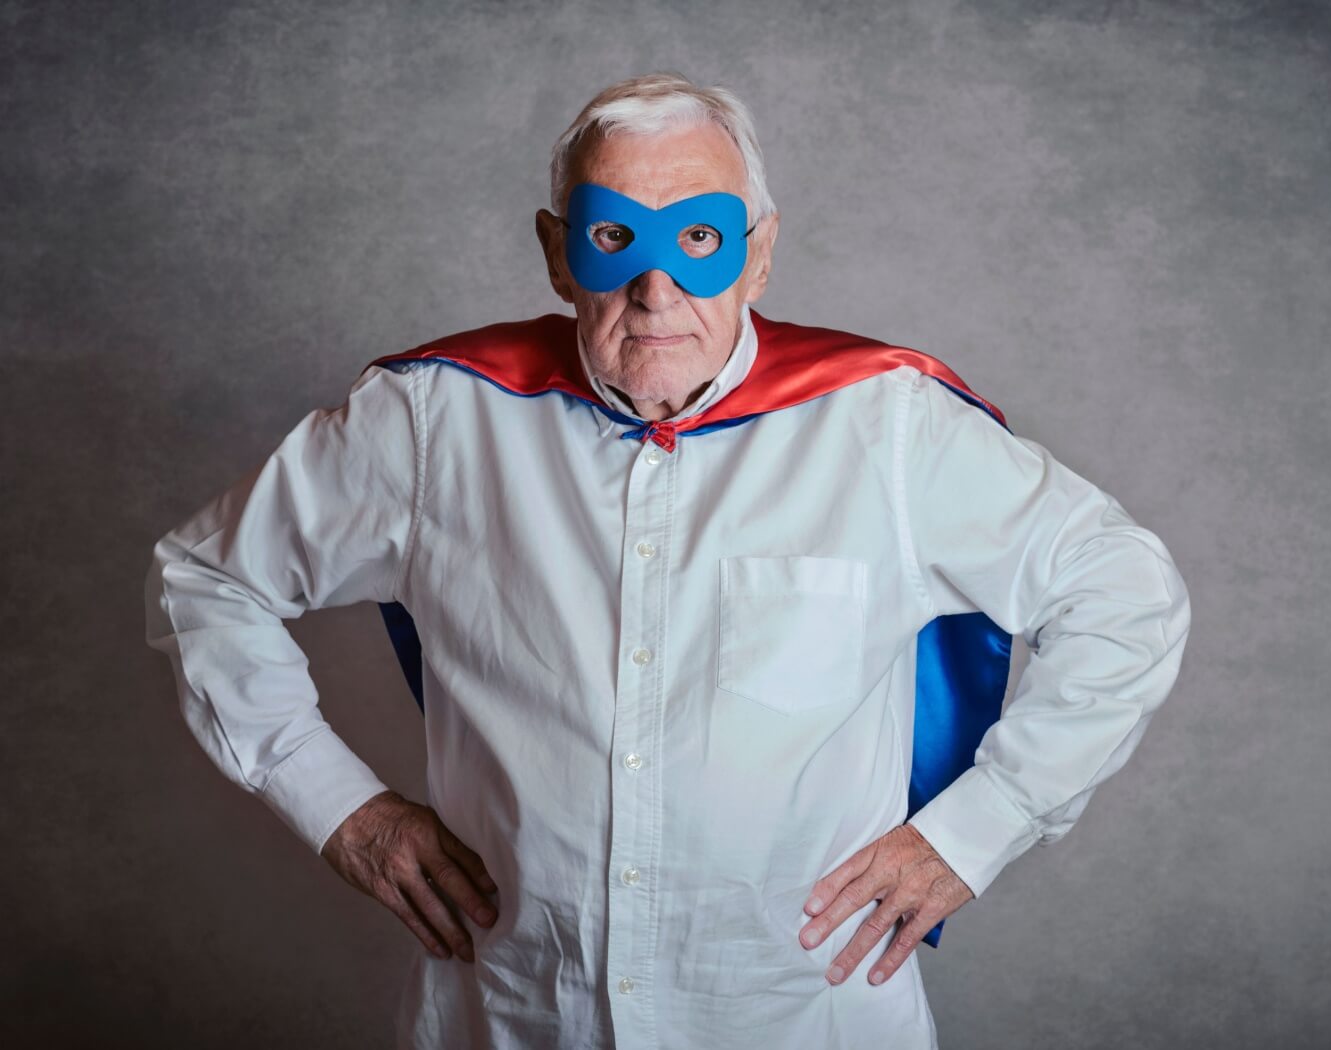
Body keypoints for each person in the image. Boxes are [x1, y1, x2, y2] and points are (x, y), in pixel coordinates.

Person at [144, 71, 1192, 1050]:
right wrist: (342, 809)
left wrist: (981, 825)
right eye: (613, 238)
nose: (654, 288)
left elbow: (1124, 596)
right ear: (559, 254)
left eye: (699, 234)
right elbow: (207, 578)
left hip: (801, 1015)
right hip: (515, 1010)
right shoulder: (432, 422)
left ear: (761, 251)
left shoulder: (889, 430)